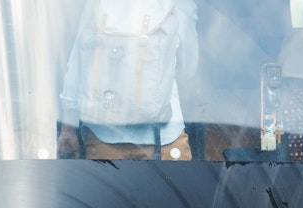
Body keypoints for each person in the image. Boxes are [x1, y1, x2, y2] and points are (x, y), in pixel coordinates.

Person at [58, 0, 198, 161]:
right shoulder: (181, 4)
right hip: (164, 138)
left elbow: (77, 67)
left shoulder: (95, 4)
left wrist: (68, 128)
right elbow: (188, 70)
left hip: (104, 138)